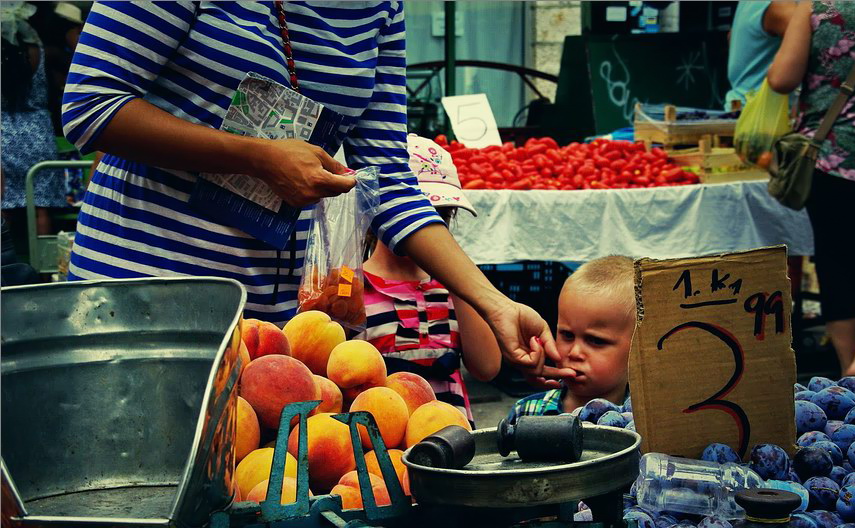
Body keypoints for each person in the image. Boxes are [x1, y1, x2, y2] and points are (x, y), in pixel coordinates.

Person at [60, 2, 570, 384]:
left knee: (254, 498)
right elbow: (90, 105)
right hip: (145, 288)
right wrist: (256, 157)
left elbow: (388, 181)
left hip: (276, 320)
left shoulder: (381, 9)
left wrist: (493, 303)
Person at [768, 0, 855, 382]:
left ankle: (849, 370)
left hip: (828, 157)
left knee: (835, 257)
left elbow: (781, 79)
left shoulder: (814, 7)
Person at [356, 134, 502, 425]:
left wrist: (460, 283)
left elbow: (486, 367)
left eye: (440, 216)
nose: (426, 230)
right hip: (382, 443)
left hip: (453, 440)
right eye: (416, 215)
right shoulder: (356, 289)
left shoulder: (454, 290)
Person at [507, 256, 636, 420]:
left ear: (637, 349)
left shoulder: (644, 422)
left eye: (595, 340)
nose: (574, 353)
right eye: (567, 335)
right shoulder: (527, 413)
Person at [1, 1, 68, 237]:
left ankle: (6, 265)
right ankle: (44, 269)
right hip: (39, 131)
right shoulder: (38, 48)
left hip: (4, 135)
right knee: (41, 209)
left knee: (4, 208)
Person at [726, 0, 798, 110]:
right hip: (761, 115)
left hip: (737, 104)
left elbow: (731, 37)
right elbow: (820, 47)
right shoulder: (780, 6)